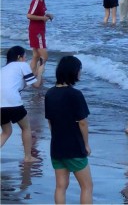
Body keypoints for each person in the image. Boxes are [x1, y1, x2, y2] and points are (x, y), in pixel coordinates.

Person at [45, 56, 93, 204]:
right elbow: (82, 123)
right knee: (87, 186)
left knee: (61, 186)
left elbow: (50, 121)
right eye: (79, 70)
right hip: (74, 147)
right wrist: (86, 144)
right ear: (73, 72)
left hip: (56, 147)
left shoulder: (49, 93)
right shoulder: (75, 94)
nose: (80, 72)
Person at [1, 46, 45, 162]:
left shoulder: (3, 69)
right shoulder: (22, 65)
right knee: (26, 128)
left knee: (6, 131)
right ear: (19, 57)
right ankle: (28, 157)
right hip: (13, 102)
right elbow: (36, 85)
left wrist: (35, 71)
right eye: (25, 57)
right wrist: (40, 72)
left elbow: (23, 83)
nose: (25, 59)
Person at [27, 0, 54, 74]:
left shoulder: (42, 0)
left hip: (40, 30)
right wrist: (42, 18)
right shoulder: (36, 1)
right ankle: (38, 76)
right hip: (36, 31)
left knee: (36, 56)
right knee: (44, 57)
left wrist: (47, 15)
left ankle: (31, 76)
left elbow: (39, 14)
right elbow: (29, 15)